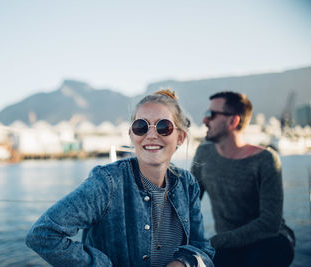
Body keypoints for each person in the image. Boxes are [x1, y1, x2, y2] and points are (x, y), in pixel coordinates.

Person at [26, 89, 215, 267]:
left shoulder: (187, 184)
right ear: (132, 136)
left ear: (180, 137)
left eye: (163, 127)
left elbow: (203, 247)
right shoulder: (107, 183)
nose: (151, 135)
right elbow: (43, 234)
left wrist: (182, 263)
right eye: (141, 126)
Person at [191, 91, 295, 267]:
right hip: (228, 245)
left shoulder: (266, 160)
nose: (205, 120)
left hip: (271, 241)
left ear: (233, 121)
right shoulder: (203, 152)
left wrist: (213, 242)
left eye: (211, 115)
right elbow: (189, 202)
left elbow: (269, 224)